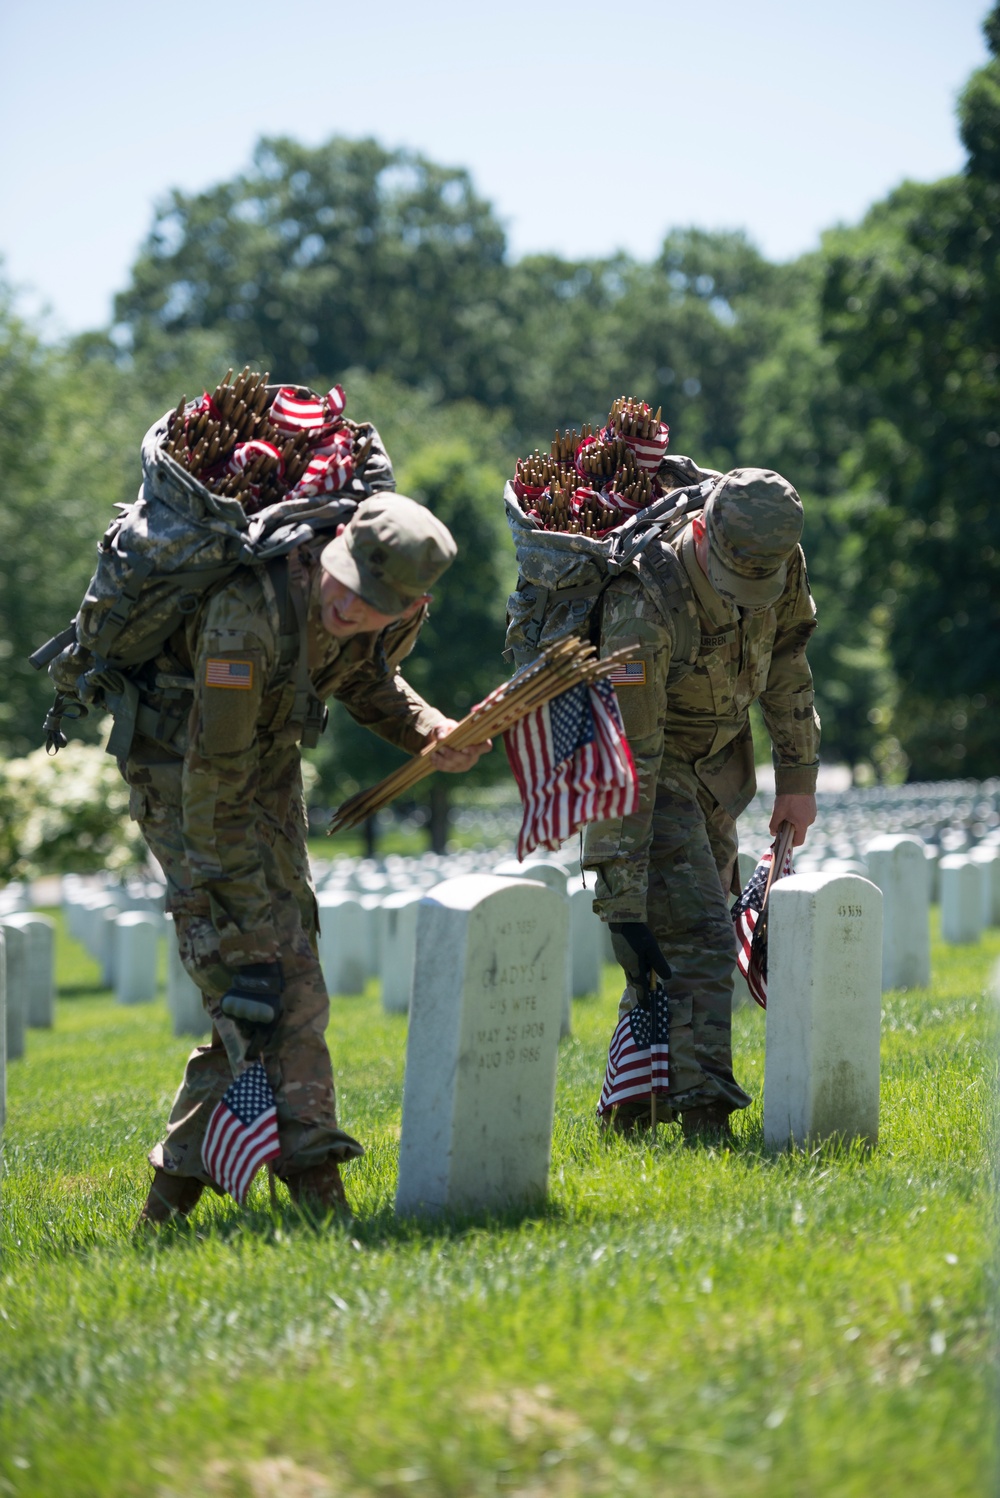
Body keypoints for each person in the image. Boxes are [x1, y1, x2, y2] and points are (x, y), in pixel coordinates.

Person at [133, 495, 490, 1226]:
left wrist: (433, 731)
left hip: (264, 775)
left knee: (267, 990)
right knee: (273, 982)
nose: (349, 608)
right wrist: (241, 925)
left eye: (373, 606)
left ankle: (165, 1212)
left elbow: (365, 681)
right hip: (185, 782)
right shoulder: (246, 617)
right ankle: (320, 1193)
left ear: (409, 606)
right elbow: (211, 786)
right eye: (345, 585)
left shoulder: (363, 620)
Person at [583, 467, 820, 1144]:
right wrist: (619, 893)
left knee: (677, 940)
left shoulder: (781, 562)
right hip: (647, 775)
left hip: (718, 772)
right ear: (705, 536)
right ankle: (704, 1112)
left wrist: (797, 779)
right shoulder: (646, 598)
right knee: (702, 934)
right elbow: (630, 758)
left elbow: (788, 665)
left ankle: (630, 1107)